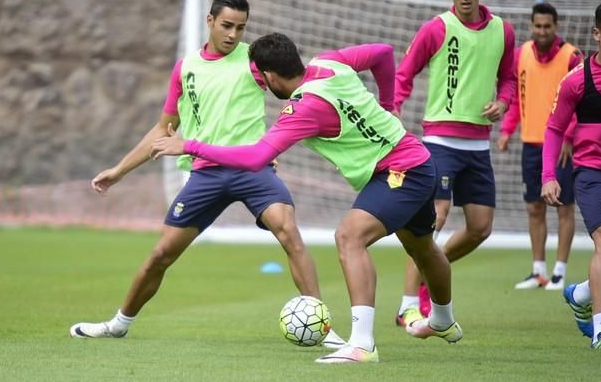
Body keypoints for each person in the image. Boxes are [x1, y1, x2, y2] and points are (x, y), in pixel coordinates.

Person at [150, 32, 463, 364]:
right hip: (417, 160)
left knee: (349, 237)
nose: (259, 81)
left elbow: (256, 157)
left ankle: (362, 344)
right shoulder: (329, 61)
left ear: (270, 75)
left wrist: (188, 145)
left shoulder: (303, 107)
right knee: (422, 247)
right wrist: (388, 106)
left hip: (401, 172)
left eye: (258, 75)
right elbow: (383, 53)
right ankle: (443, 320)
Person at [69, 0, 345, 349]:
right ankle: (119, 323)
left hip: (252, 170)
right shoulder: (186, 68)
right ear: (210, 21)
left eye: (241, 28)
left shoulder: (253, 60)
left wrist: (275, 143)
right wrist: (119, 170)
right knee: (161, 255)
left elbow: (296, 89)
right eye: (227, 25)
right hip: (207, 174)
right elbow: (162, 129)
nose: (233, 34)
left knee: (289, 232)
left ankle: (323, 329)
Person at [393, 0, 516, 324]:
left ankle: (433, 273)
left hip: (479, 146)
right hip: (440, 141)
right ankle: (406, 306)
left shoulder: (503, 31)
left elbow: (508, 79)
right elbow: (405, 71)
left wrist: (504, 102)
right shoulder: (436, 28)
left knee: (480, 228)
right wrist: (394, 109)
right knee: (436, 217)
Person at [498, 3, 583, 291]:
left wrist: (570, 136)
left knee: (564, 208)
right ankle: (538, 271)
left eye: (547, 26)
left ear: (556, 26)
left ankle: (559, 271)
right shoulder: (521, 54)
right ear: (532, 26)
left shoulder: (572, 57)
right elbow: (518, 97)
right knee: (534, 208)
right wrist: (507, 130)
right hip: (531, 144)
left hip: (561, 147)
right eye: (538, 26)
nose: (542, 31)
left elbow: (582, 102)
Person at [541, 0, 601, 350]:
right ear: (597, 34)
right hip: (594, 173)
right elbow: (554, 129)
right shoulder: (576, 80)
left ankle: (581, 293)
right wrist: (548, 176)